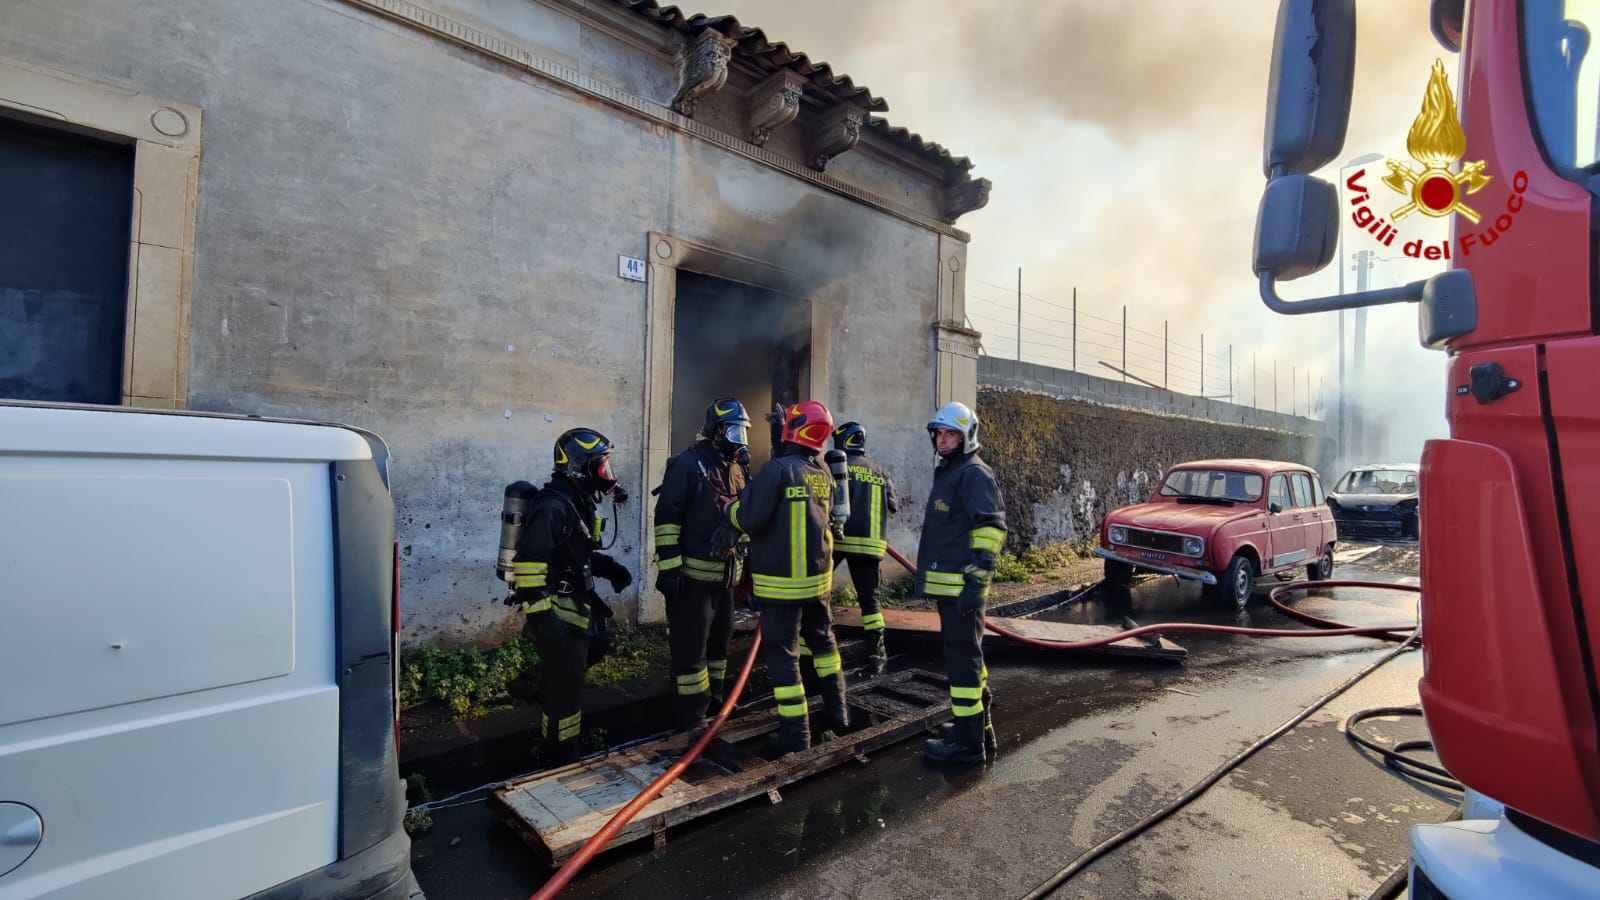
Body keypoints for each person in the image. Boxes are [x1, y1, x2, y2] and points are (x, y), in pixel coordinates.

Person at [726, 401, 847, 755]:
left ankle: (796, 734)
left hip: (782, 587)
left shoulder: (776, 471)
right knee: (824, 645)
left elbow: (750, 518)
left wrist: (728, 509)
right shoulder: (821, 472)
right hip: (818, 585)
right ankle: (838, 713)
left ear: (793, 429)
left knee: (783, 656)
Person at [508, 427, 632, 765]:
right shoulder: (553, 506)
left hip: (578, 606)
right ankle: (559, 754)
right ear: (579, 465)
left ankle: (540, 681)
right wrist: (542, 617)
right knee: (566, 694)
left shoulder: (576, 501)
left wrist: (609, 568)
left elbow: (578, 553)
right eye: (601, 466)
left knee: (599, 644)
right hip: (559, 611)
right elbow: (529, 564)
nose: (607, 474)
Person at [652, 398, 752, 730]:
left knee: (719, 648)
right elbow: (667, 519)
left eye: (744, 432)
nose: (741, 439)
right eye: (735, 431)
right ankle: (691, 718)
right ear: (718, 431)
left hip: (725, 581)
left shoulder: (737, 469)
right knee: (691, 654)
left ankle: (717, 705)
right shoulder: (687, 465)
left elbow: (747, 517)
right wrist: (670, 569)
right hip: (691, 584)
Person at [915, 402, 1006, 764]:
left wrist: (974, 586)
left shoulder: (973, 474)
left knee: (963, 661)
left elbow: (991, 530)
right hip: (951, 589)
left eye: (950, 433)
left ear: (967, 436)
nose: (942, 439)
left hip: (961, 591)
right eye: (939, 433)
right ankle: (977, 728)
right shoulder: (952, 471)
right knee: (969, 657)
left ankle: (968, 746)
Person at [830, 421, 899, 676]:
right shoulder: (881, 472)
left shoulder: (836, 466)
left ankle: (822, 644)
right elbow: (893, 507)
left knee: (819, 592)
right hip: (870, 546)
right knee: (870, 602)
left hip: (838, 541)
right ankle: (877, 656)